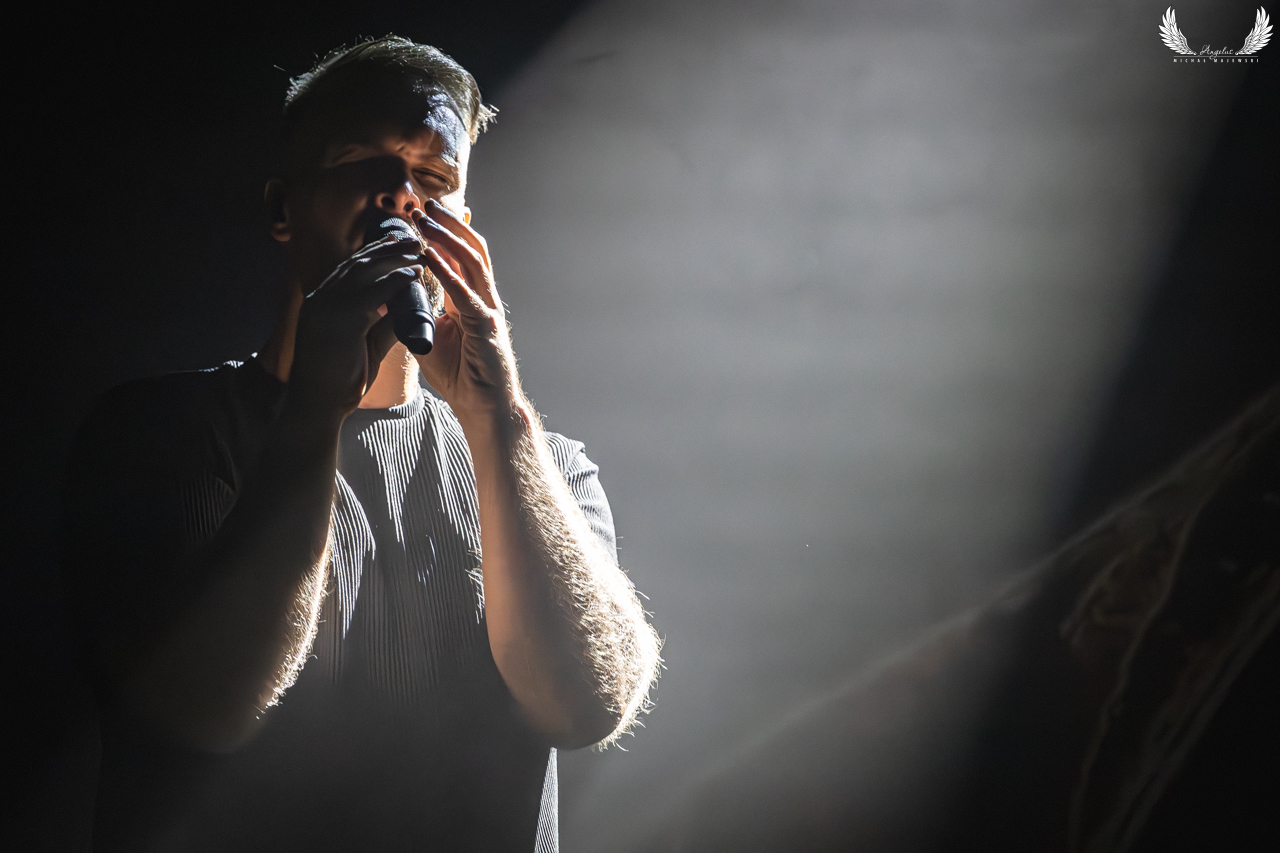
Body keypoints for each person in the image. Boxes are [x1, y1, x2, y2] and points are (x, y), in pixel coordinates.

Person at [60, 36, 661, 853]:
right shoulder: (153, 433)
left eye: (434, 178)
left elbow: (587, 707)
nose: (399, 196)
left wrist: (501, 417)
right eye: (359, 162)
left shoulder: (549, 465)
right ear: (283, 209)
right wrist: (315, 406)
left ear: (463, 226)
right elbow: (202, 706)